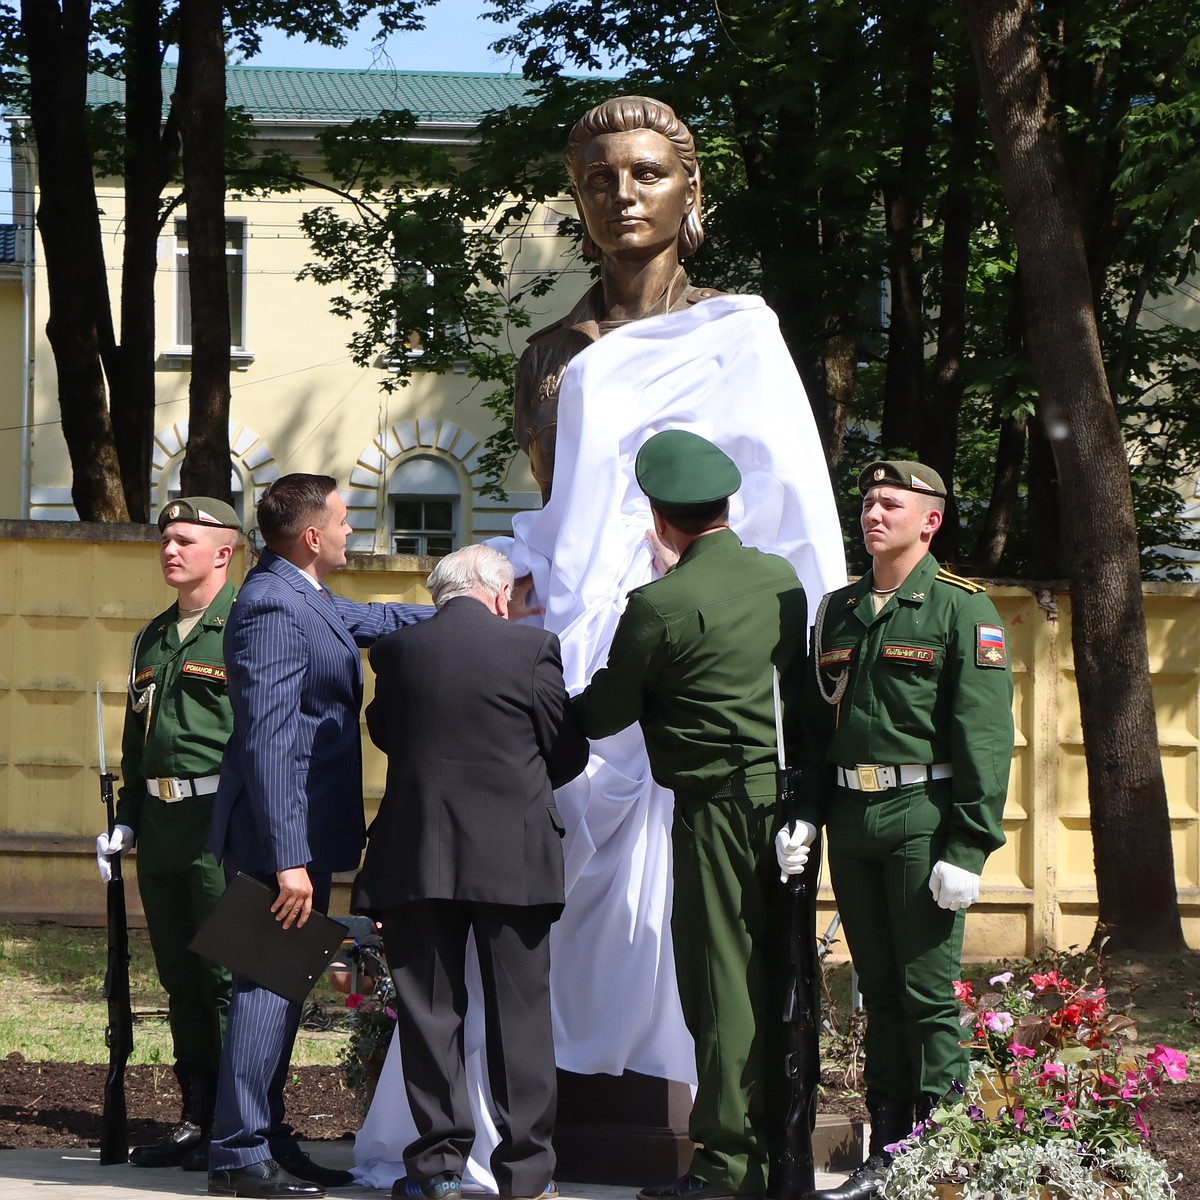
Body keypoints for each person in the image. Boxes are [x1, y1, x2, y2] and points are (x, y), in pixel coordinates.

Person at [352, 96, 846, 1192]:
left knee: (707, 926)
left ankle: (722, 1119)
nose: (623, 194)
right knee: (541, 879)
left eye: (647, 172)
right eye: (600, 176)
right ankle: (518, 1113)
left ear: (691, 190)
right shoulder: (548, 355)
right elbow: (565, 517)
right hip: (573, 644)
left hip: (702, 664)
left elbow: (790, 514)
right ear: (579, 199)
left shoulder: (740, 336)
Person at [571, 431, 807, 1200]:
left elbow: (603, 714)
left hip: (714, 811)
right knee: (782, 974)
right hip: (786, 807)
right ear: (724, 506)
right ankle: (781, 1147)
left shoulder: (659, 604)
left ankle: (726, 1165)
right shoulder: (780, 580)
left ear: (659, 516)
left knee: (720, 981)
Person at [779, 460, 1015, 1200]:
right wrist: (808, 810)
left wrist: (970, 844)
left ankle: (940, 1154)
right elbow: (818, 726)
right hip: (851, 816)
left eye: (890, 503)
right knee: (876, 988)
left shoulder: (960, 609)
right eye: (868, 501)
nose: (872, 513)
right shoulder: (841, 608)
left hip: (922, 814)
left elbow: (983, 736)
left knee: (926, 990)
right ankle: (886, 1151)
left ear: (930, 520)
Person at [206, 473, 433, 1200]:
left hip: (303, 832)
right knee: (266, 986)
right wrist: (288, 860)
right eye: (342, 520)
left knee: (283, 982)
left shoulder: (299, 593)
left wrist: (458, 615)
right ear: (311, 536)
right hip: (285, 840)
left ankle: (266, 1139)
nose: (348, 530)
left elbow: (365, 620)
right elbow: (270, 744)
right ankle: (239, 1155)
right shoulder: (274, 605)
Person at [352, 544, 588, 1200]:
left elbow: (388, 732)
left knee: (430, 1015)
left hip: (417, 854)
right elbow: (565, 749)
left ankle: (436, 1169)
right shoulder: (531, 648)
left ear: (442, 592)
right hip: (513, 859)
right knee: (520, 1018)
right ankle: (527, 1176)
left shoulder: (397, 653)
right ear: (496, 592)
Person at [95, 497, 241, 1171]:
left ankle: (238, 1121)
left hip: (219, 824)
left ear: (224, 550)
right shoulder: (152, 638)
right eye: (164, 540)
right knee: (179, 975)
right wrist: (125, 815)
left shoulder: (243, 627)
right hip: (158, 829)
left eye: (184, 539)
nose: (169, 550)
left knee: (225, 973)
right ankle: (195, 1116)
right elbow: (135, 737)